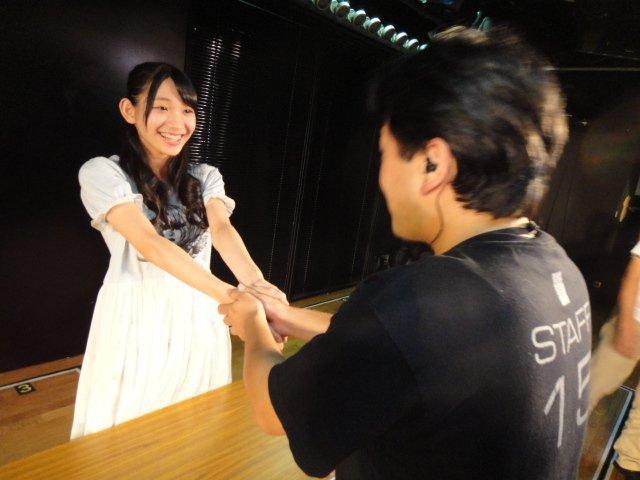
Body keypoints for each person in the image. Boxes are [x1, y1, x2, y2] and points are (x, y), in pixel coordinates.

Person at [220, 27, 592, 479]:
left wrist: (253, 325)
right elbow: (413, 353)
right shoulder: (556, 268)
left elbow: (271, 410)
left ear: (432, 163)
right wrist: (287, 317)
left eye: (386, 153)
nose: (382, 176)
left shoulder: (422, 299)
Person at [71, 62, 286, 439]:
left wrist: (258, 286)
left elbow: (221, 228)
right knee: (124, 434)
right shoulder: (103, 173)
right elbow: (151, 244)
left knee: (195, 429)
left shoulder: (205, 176)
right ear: (129, 110)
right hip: (136, 319)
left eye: (187, 109)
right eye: (162, 107)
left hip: (201, 312)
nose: (177, 122)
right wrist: (236, 297)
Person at [590, 240, 640, 479]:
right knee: (593, 385)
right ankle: (550, 436)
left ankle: (630, 459)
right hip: (635, 322)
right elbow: (632, 276)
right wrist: (625, 322)